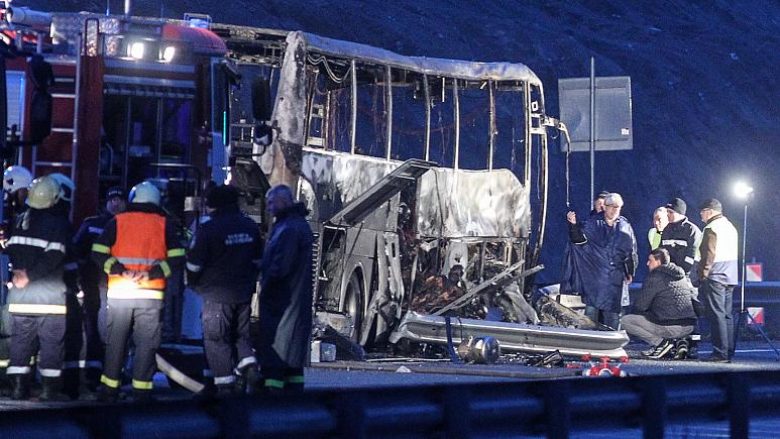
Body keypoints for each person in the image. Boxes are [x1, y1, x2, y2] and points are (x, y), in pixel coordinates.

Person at [91, 181, 185, 401]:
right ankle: (141, 390)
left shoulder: (117, 221)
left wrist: (120, 271)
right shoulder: (164, 224)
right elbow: (178, 257)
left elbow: (97, 252)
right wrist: (151, 274)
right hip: (150, 295)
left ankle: (109, 389)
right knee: (146, 344)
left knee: (116, 342)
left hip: (120, 293)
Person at [187, 184, 262, 396]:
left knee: (216, 339)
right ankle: (249, 367)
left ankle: (225, 388)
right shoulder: (249, 226)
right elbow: (258, 260)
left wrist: (193, 283)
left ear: (214, 204)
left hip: (216, 295)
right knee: (241, 336)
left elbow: (193, 265)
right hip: (244, 294)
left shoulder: (209, 229)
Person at [5, 175, 71, 400]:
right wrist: (30, 276)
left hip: (20, 297)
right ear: (53, 198)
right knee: (51, 344)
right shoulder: (58, 223)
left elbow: (12, 250)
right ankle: (49, 391)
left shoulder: (19, 219)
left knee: (20, 343)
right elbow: (55, 256)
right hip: (49, 298)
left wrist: (20, 275)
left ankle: (17, 389)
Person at [69, 186, 126, 396]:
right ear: (106, 202)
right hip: (94, 284)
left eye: (120, 199)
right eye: (112, 199)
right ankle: (95, 373)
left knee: (114, 331)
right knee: (94, 328)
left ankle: (112, 372)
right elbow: (77, 250)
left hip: (120, 285)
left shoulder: (128, 225)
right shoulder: (91, 224)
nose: (116, 203)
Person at [258, 185, 313, 392]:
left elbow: (280, 267)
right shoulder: (296, 225)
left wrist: (264, 274)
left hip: (281, 306)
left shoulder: (288, 229)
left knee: (275, 361)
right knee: (293, 366)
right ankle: (294, 404)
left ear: (284, 201)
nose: (269, 207)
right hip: (294, 305)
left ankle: (273, 404)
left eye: (272, 202)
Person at [563, 192, 638, 330]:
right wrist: (573, 225)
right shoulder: (593, 223)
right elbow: (579, 240)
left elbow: (630, 252)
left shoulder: (625, 226)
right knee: (591, 313)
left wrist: (630, 271)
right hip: (595, 278)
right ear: (606, 207)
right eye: (612, 206)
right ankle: (588, 343)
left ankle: (611, 343)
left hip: (614, 280)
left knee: (613, 316)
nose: (615, 210)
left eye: (618, 207)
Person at [622, 248, 697, 359]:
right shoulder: (682, 275)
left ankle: (661, 343)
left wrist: (646, 312)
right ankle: (676, 343)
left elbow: (640, 306)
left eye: (650, 260)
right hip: (689, 326)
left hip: (671, 327)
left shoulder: (655, 276)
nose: (647, 263)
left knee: (626, 321)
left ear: (658, 261)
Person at [696, 198, 738, 363]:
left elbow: (709, 253)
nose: (701, 216)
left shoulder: (711, 227)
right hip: (730, 274)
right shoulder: (730, 226)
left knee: (716, 314)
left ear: (709, 211)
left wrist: (703, 274)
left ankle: (719, 352)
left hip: (715, 274)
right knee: (727, 315)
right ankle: (728, 350)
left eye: (702, 212)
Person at [660, 198, 702, 276]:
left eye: (671, 212)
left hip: (687, 276)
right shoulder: (666, 230)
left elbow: (692, 254)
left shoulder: (692, 230)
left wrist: (683, 272)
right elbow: (661, 251)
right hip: (668, 274)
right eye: (667, 212)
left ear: (680, 213)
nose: (667, 214)